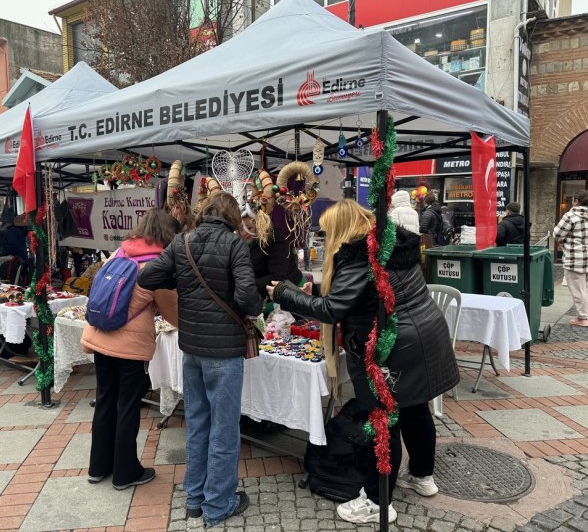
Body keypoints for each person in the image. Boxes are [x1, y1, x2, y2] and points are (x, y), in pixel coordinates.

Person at [267, 199, 459, 525]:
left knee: (384, 420)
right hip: (426, 333)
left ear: (341, 230)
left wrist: (284, 293)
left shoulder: (359, 256)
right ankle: (422, 477)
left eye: (327, 232)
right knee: (415, 408)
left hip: (396, 345)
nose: (326, 239)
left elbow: (333, 309)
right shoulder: (390, 240)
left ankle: (376, 501)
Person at [138, 192, 261, 527]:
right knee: (224, 430)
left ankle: (195, 499)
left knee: (197, 423)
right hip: (223, 351)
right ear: (233, 217)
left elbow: (147, 277)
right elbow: (248, 299)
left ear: (205, 213)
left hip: (191, 349)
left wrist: (181, 282)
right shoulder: (236, 245)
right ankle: (219, 505)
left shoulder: (183, 242)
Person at [81, 209, 180, 490]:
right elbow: (174, 315)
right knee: (127, 406)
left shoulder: (121, 252)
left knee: (105, 400)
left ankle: (98, 467)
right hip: (129, 346)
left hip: (100, 336)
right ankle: (126, 472)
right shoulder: (157, 264)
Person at [554, 190, 588, 327]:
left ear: (576, 201)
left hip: (575, 258)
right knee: (584, 285)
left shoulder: (571, 215)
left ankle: (582, 317)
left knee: (578, 288)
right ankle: (586, 310)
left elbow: (557, 235)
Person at [240, 212, 302, 298]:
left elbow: (277, 277)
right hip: (268, 294)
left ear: (259, 224)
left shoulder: (275, 238)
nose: (245, 233)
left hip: (293, 292)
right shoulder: (244, 244)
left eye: (249, 228)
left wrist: (245, 285)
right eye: (241, 229)